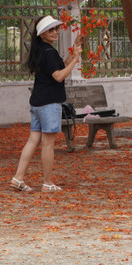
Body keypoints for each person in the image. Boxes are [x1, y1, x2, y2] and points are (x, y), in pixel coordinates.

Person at [10, 15, 80, 193]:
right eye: (51, 30)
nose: (55, 32)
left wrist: (75, 50)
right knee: (48, 144)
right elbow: (59, 76)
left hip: (37, 102)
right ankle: (47, 183)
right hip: (49, 103)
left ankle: (18, 178)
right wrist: (75, 61)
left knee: (33, 140)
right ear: (41, 34)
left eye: (56, 29)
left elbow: (60, 66)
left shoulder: (43, 50)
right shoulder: (48, 52)